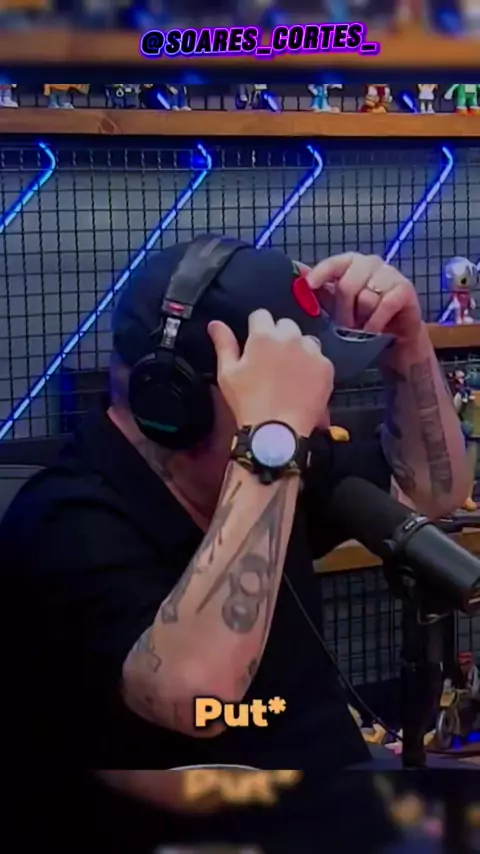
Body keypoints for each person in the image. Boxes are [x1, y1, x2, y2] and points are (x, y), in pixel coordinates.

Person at [2, 239, 469, 852]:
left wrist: (407, 344)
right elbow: (196, 697)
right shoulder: (64, 523)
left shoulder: (276, 456)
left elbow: (432, 491)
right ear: (174, 404)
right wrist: (269, 442)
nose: (317, 419)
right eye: (284, 399)